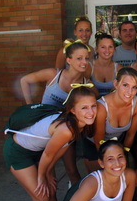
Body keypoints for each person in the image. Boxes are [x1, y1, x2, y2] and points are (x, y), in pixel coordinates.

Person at [3, 85, 97, 201]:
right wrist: (42, 177)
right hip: (18, 151)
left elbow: (60, 151)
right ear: (72, 110)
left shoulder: (78, 124)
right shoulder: (66, 129)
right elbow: (48, 154)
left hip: (38, 151)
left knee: (51, 191)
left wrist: (47, 172)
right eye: (84, 108)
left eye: (93, 106)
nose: (91, 112)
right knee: (42, 198)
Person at [21, 39, 97, 184]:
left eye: (86, 58)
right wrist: (30, 107)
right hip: (44, 131)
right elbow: (24, 80)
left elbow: (96, 101)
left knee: (72, 171)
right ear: (68, 60)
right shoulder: (53, 74)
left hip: (65, 133)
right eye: (79, 58)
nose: (84, 62)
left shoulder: (86, 84)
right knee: (48, 174)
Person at [84, 67, 137, 172]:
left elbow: (130, 135)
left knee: (123, 174)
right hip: (95, 145)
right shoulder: (102, 107)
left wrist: (123, 157)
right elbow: (99, 141)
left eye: (134, 87)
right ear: (116, 84)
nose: (129, 92)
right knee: (101, 178)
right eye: (125, 85)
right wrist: (108, 161)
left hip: (117, 143)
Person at [67, 139, 136, 201]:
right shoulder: (92, 184)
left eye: (120, 157)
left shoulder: (129, 176)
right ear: (101, 163)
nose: (117, 163)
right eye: (110, 159)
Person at [91, 32, 123, 97]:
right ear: (96, 49)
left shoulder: (119, 68)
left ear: (114, 49)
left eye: (110, 47)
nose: (107, 50)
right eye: (103, 47)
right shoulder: (89, 67)